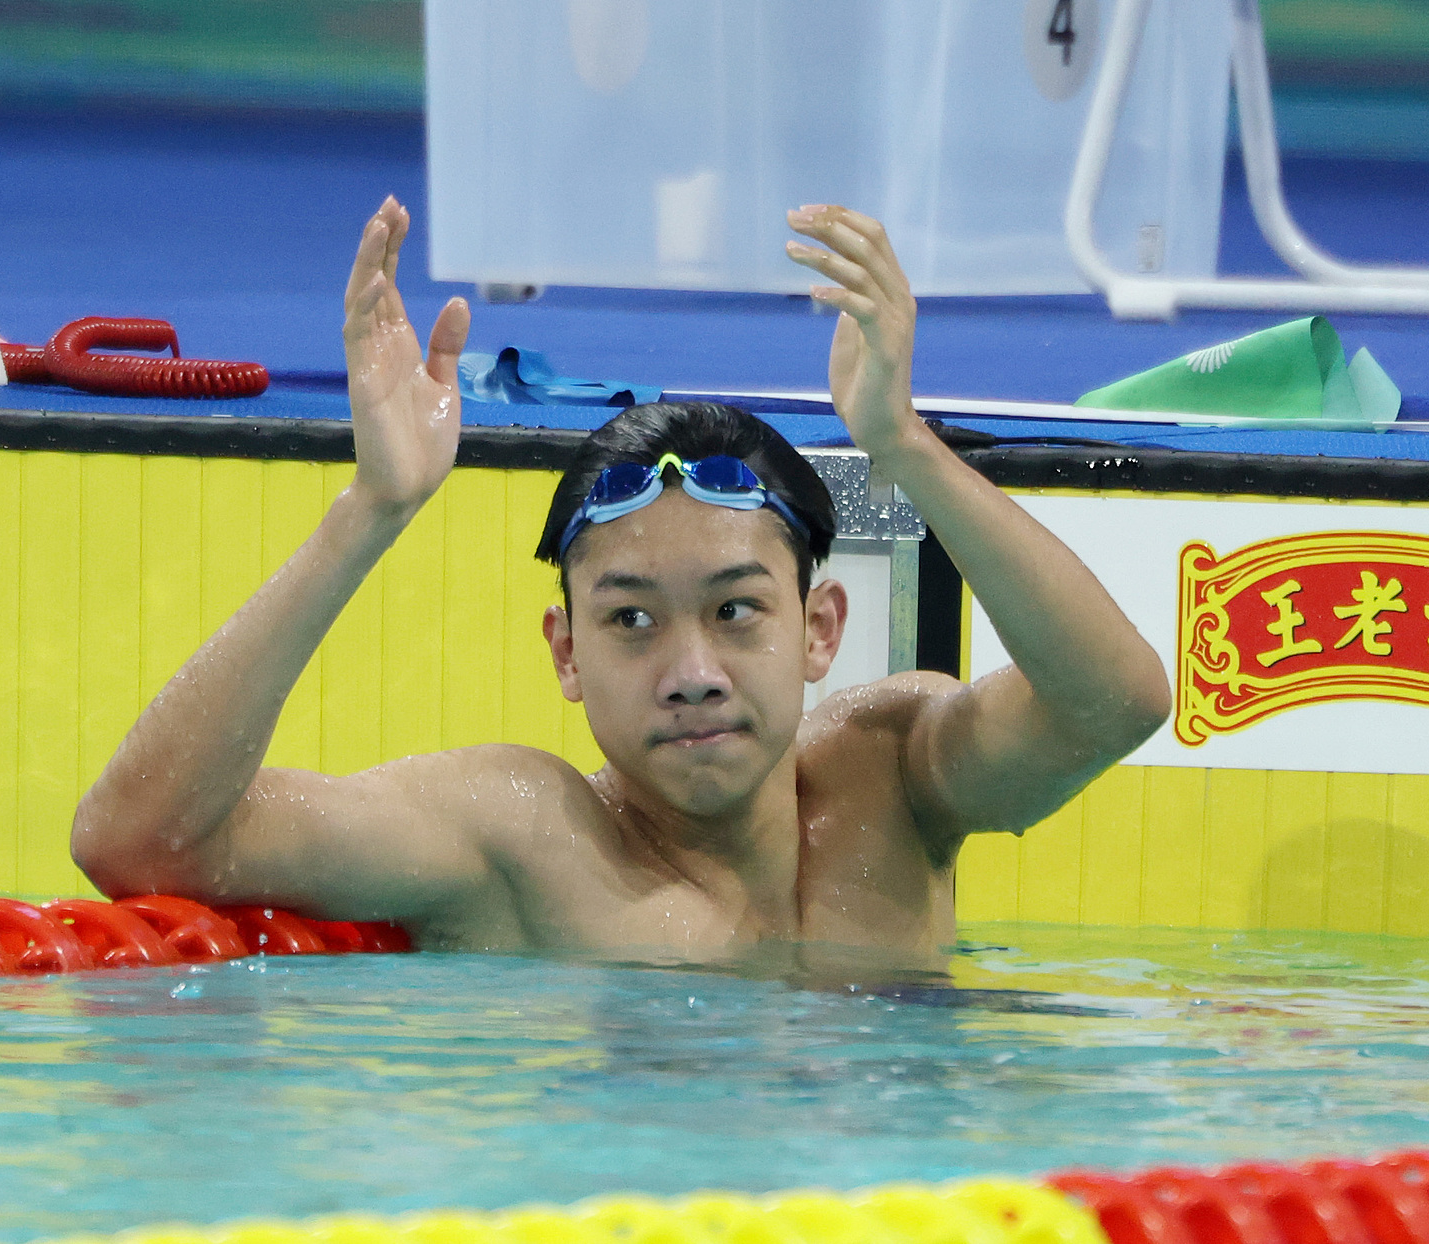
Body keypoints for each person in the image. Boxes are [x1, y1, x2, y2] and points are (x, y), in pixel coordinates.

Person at [71, 198, 1171, 966]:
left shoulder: (894, 782)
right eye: (632, 620)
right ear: (566, 652)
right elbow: (143, 841)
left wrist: (903, 444)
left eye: (735, 611)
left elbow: (1112, 700)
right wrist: (371, 511)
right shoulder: (521, 841)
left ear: (819, 627)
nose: (692, 672)